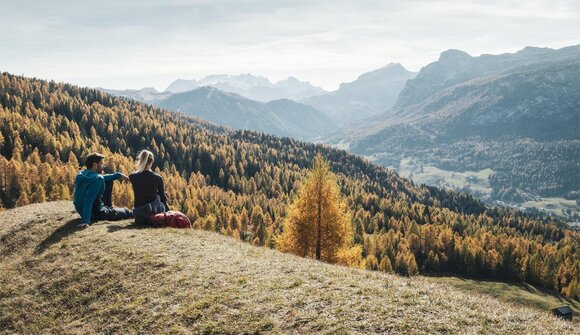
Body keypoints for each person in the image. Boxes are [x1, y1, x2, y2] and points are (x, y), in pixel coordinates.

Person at [73, 152, 133, 228]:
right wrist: (85, 221)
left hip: (81, 209)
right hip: (95, 213)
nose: (103, 166)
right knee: (125, 212)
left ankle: (108, 208)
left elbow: (102, 178)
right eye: (101, 164)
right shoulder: (98, 179)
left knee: (108, 181)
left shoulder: (81, 174)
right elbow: (88, 201)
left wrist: (118, 175)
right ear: (95, 165)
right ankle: (133, 213)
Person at [129, 150, 169, 225]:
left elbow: (142, 188)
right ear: (152, 161)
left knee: (157, 196)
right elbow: (163, 199)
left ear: (140, 160)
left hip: (138, 213)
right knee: (160, 198)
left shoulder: (132, 176)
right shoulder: (158, 178)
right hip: (152, 213)